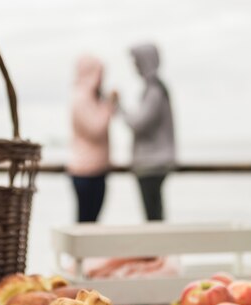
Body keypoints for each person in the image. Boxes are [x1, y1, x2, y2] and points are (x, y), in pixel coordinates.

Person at [120, 42, 175, 221]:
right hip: (152, 163)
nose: (135, 67)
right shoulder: (155, 89)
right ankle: (158, 248)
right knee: (154, 216)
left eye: (137, 62)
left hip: (152, 164)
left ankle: (157, 249)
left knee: (153, 218)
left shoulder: (154, 91)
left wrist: (118, 109)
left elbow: (139, 123)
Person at [68, 55, 117, 222]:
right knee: (85, 223)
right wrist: (109, 105)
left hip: (97, 169)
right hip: (85, 172)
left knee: (92, 222)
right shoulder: (81, 98)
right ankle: (81, 249)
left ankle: (86, 249)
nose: (102, 78)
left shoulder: (92, 97)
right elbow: (96, 129)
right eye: (99, 73)